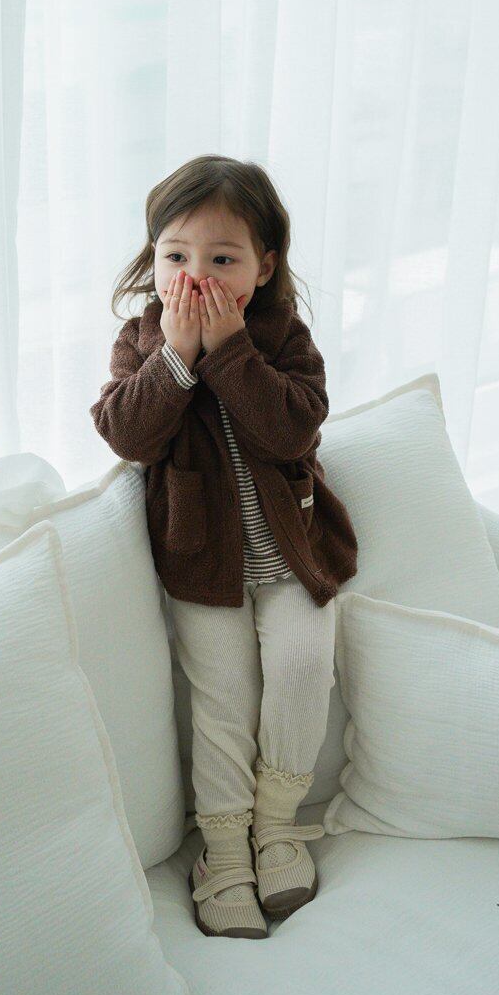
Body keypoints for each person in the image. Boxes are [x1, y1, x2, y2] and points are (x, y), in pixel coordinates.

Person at [89, 155, 358, 940]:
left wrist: (233, 350)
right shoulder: (143, 339)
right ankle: (224, 849)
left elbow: (292, 430)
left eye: (223, 259)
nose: (196, 277)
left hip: (292, 554)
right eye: (177, 256)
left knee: (303, 664)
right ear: (153, 259)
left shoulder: (281, 336)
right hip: (200, 564)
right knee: (223, 698)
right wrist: (177, 357)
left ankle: (276, 824)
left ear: (264, 266)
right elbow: (127, 435)